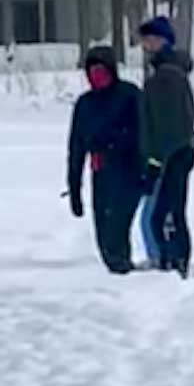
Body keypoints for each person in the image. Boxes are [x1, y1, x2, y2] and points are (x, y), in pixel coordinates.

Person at [66, 45, 144, 273]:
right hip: (101, 174)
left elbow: (143, 134)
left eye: (101, 71)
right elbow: (76, 147)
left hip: (129, 172)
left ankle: (127, 279)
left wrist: (147, 170)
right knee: (104, 238)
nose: (96, 77)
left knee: (116, 231)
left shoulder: (130, 95)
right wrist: (74, 189)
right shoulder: (85, 104)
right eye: (92, 72)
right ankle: (119, 277)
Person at [138, 16, 194, 277]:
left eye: (150, 39)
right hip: (179, 151)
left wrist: (156, 160)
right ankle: (172, 261)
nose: (145, 45)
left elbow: (166, 124)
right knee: (168, 212)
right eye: (144, 40)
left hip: (172, 155)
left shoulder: (166, 77)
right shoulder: (169, 73)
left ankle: (172, 264)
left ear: (163, 41)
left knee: (164, 215)